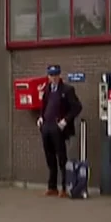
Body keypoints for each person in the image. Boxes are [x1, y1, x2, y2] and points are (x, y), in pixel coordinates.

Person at [36, 64, 82, 197]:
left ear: (59, 75)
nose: (53, 78)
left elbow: (77, 107)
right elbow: (43, 106)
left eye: (55, 75)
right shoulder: (47, 90)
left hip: (58, 127)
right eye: (51, 75)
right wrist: (40, 117)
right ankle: (52, 186)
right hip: (47, 126)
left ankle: (64, 187)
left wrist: (65, 121)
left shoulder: (67, 90)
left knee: (62, 158)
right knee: (49, 157)